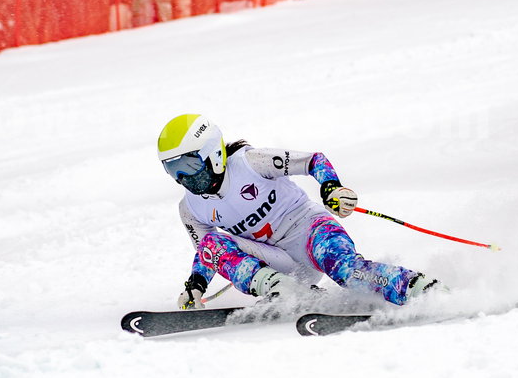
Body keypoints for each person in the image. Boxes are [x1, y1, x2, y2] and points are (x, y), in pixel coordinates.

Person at [157, 113, 440, 310]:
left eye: (189, 165)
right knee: (212, 244)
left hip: (310, 232)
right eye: (173, 170)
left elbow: (313, 161)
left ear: (211, 152)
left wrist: (332, 189)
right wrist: (195, 285)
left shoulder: (251, 162)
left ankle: (420, 290)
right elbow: (210, 253)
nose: (184, 178)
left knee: (345, 271)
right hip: (278, 263)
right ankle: (285, 291)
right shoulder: (190, 208)